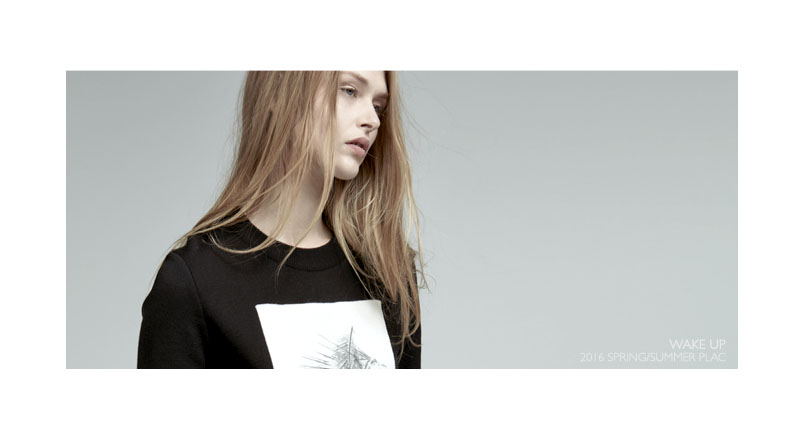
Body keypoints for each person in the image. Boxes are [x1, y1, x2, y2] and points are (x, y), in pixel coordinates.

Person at [137, 71, 425, 369]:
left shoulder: (390, 271)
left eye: (378, 106)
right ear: (278, 93)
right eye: (349, 91)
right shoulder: (194, 281)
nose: (373, 120)